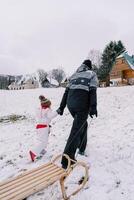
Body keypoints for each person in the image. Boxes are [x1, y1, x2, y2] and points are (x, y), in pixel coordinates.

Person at [57, 59, 98, 168]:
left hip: (71, 104)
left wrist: (62, 107)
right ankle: (67, 159)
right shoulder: (92, 74)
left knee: (82, 125)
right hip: (82, 106)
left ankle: (81, 148)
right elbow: (93, 91)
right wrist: (93, 107)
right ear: (89, 67)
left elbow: (66, 92)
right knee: (76, 130)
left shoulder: (74, 75)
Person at [29, 95, 58, 162]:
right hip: (44, 128)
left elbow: (44, 119)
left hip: (39, 127)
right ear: (48, 104)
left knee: (41, 140)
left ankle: (42, 151)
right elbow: (50, 116)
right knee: (44, 142)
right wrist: (58, 111)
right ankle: (33, 152)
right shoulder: (47, 110)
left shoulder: (40, 110)